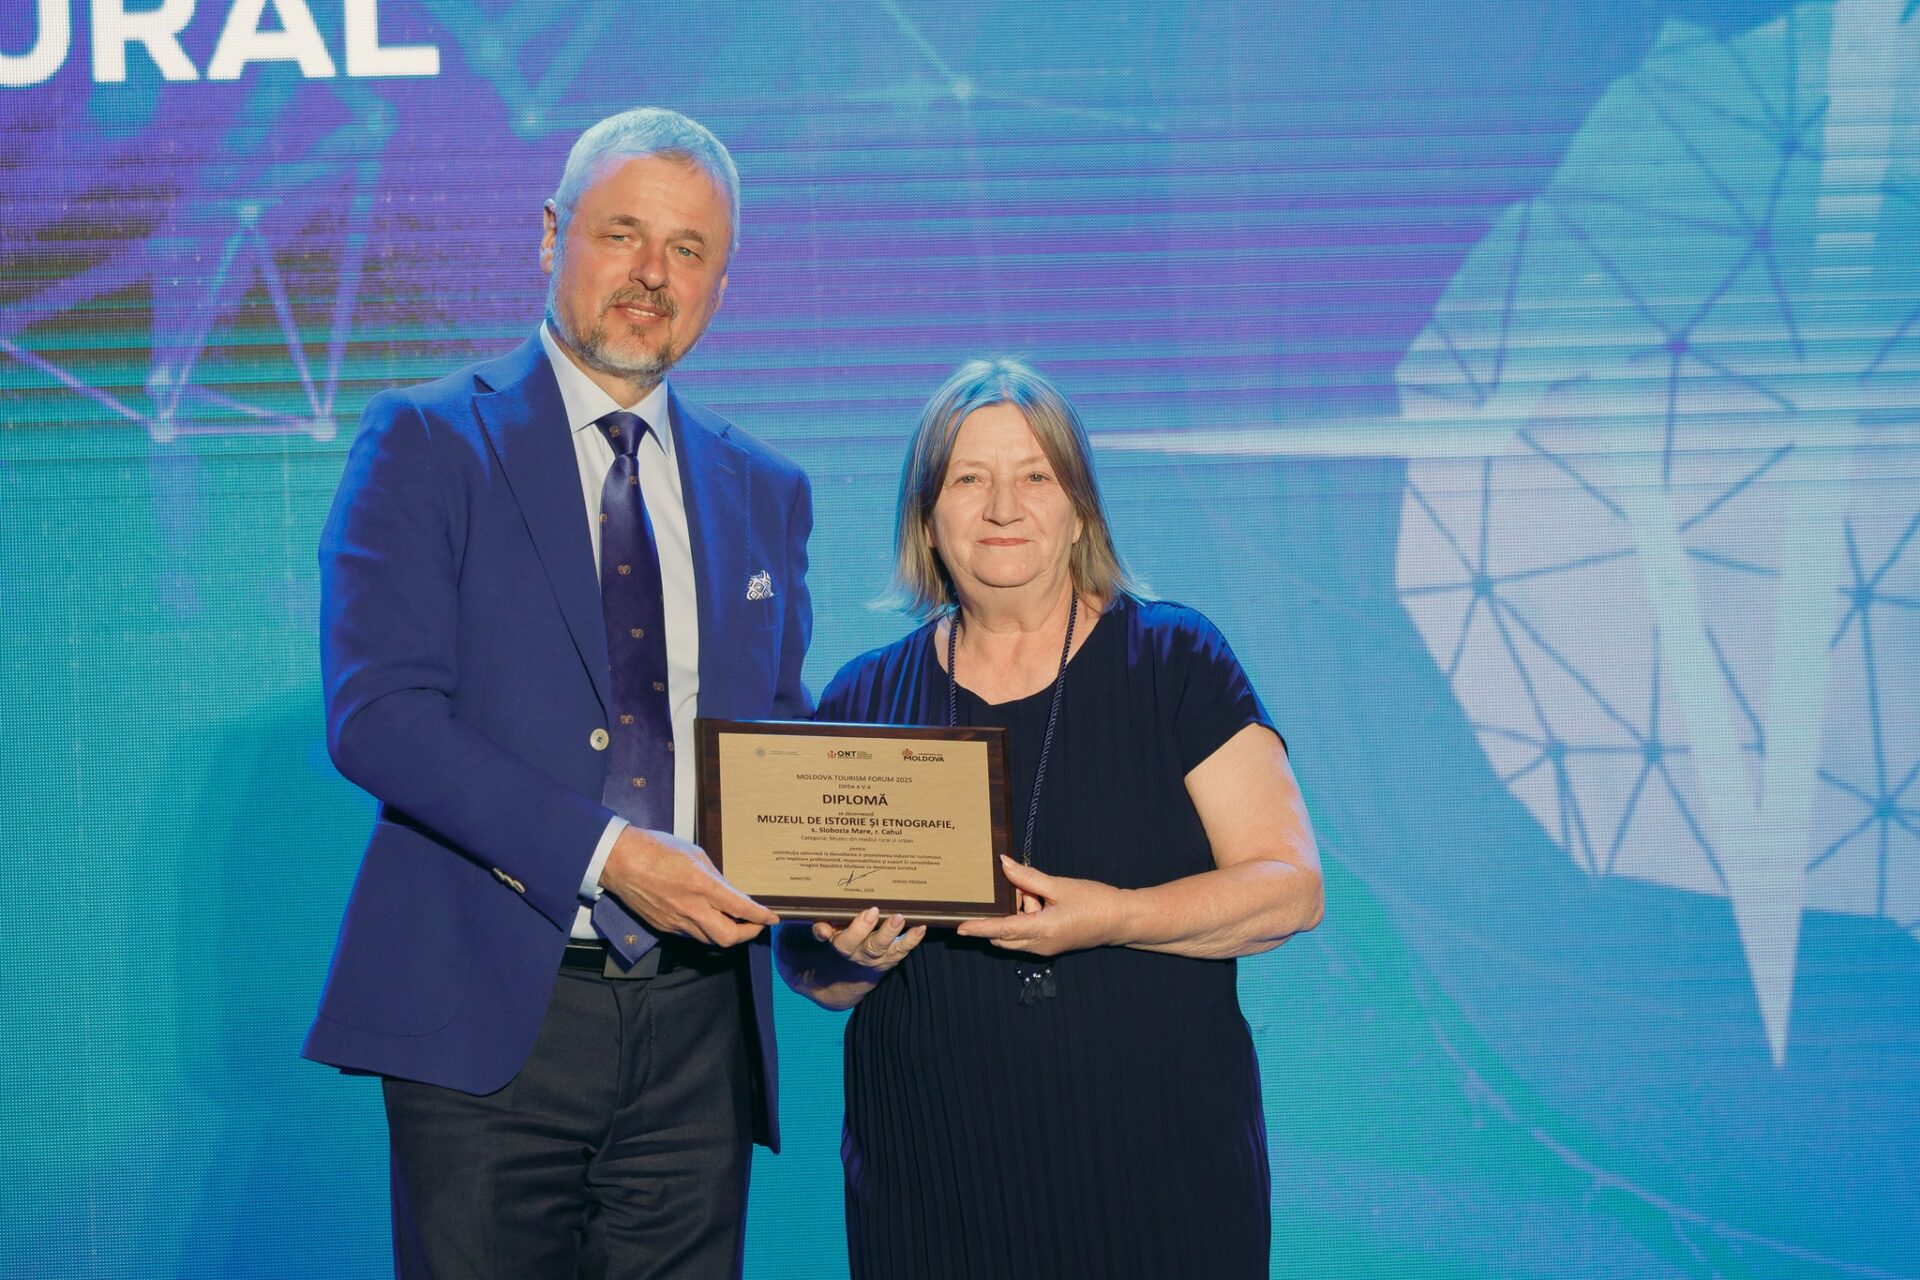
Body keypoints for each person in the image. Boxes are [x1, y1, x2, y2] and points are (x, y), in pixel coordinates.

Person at [306, 107, 812, 1278]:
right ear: (551, 235)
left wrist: (843, 894)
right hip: (489, 1016)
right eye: (622, 233)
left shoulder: (765, 487)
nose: (651, 274)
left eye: (687, 249)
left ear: (722, 280)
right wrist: (610, 855)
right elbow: (379, 715)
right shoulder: (428, 438)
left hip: (699, 1029)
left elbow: (770, 743)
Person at [775, 357, 1323, 1279]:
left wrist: (1114, 916)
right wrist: (852, 958)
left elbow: (1290, 889)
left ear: (1079, 511)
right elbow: (808, 967)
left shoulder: (1175, 660)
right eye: (969, 480)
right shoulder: (863, 699)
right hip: (932, 1192)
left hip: (1163, 1187)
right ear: (926, 516)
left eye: (1035, 476)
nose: (1003, 508)